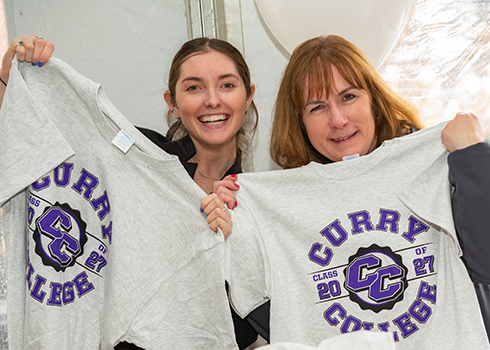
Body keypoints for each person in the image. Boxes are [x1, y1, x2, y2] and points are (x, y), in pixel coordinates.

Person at [210, 35, 490, 346]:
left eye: (348, 97)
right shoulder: (274, 203)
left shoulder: (440, 162)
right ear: (299, 122)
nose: (338, 120)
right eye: (317, 107)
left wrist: (473, 158)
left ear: (373, 99)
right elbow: (264, 316)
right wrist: (238, 230)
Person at [0, 35, 264, 349]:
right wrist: (8, 79)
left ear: (248, 97)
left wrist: (233, 246)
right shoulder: (133, 157)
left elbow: (244, 332)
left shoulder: (256, 203)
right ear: (172, 103)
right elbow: (39, 142)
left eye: (227, 85)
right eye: (194, 87)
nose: (212, 100)